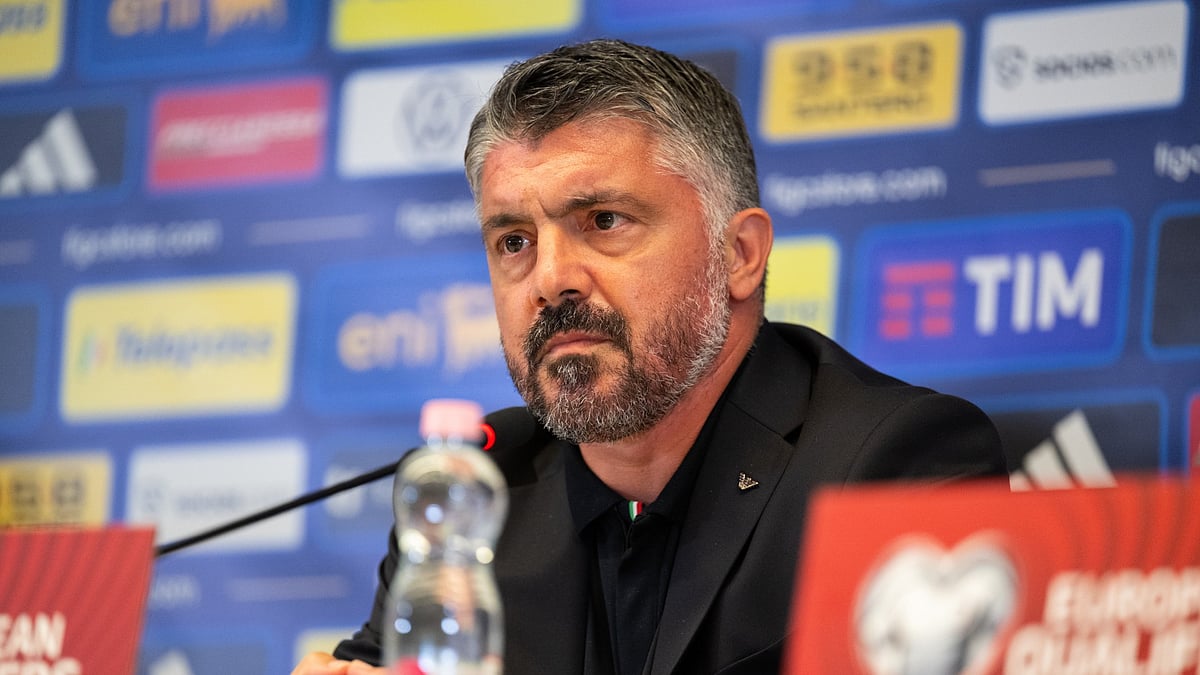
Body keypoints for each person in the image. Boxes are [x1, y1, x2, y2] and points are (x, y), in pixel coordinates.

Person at [293, 38, 1006, 675]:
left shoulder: (892, 463)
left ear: (740, 254)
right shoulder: (483, 489)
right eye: (514, 240)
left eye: (603, 221)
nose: (550, 279)